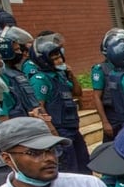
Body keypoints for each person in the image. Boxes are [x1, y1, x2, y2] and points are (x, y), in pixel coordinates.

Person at [29, 34, 87, 174]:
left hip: (72, 128)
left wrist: (71, 75)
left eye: (59, 56)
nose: (59, 60)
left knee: (84, 164)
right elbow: (39, 106)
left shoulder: (60, 75)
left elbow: (77, 93)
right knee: (70, 169)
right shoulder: (40, 79)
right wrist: (52, 131)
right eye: (54, 59)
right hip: (59, 130)